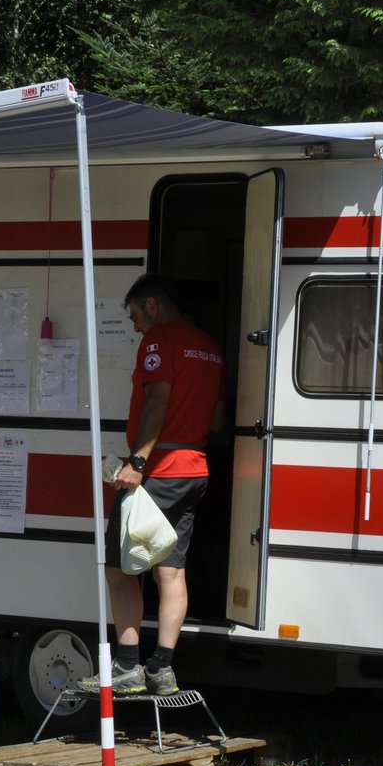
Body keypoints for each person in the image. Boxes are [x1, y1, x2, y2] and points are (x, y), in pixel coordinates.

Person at [86, 273, 226, 696]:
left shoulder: (160, 339)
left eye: (134, 316)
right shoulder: (211, 347)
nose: (135, 328)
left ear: (151, 305)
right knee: (171, 569)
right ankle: (162, 669)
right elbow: (217, 419)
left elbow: (157, 400)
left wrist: (139, 461)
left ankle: (128, 667)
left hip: (159, 469)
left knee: (118, 570)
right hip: (195, 467)